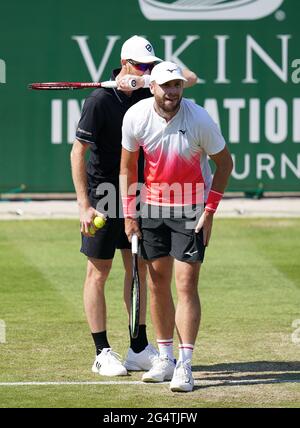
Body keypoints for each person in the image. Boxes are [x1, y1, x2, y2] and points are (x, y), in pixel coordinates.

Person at [70, 37, 197, 377]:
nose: (145, 71)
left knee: (139, 270)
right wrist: (84, 205)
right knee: (98, 271)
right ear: (124, 62)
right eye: (139, 65)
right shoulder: (99, 100)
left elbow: (191, 77)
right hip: (103, 193)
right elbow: (77, 152)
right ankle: (101, 352)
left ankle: (138, 347)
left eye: (149, 67)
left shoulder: (149, 89)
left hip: (139, 193)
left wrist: (144, 80)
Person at [120, 61, 233, 391]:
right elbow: (127, 169)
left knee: (186, 285)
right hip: (152, 207)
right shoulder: (136, 117)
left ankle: (185, 364)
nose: (173, 91)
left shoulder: (199, 119)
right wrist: (129, 214)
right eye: (166, 85)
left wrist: (210, 211)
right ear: (152, 87)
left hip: (191, 208)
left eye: (177, 85)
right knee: (156, 283)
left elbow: (225, 164)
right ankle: (165, 357)